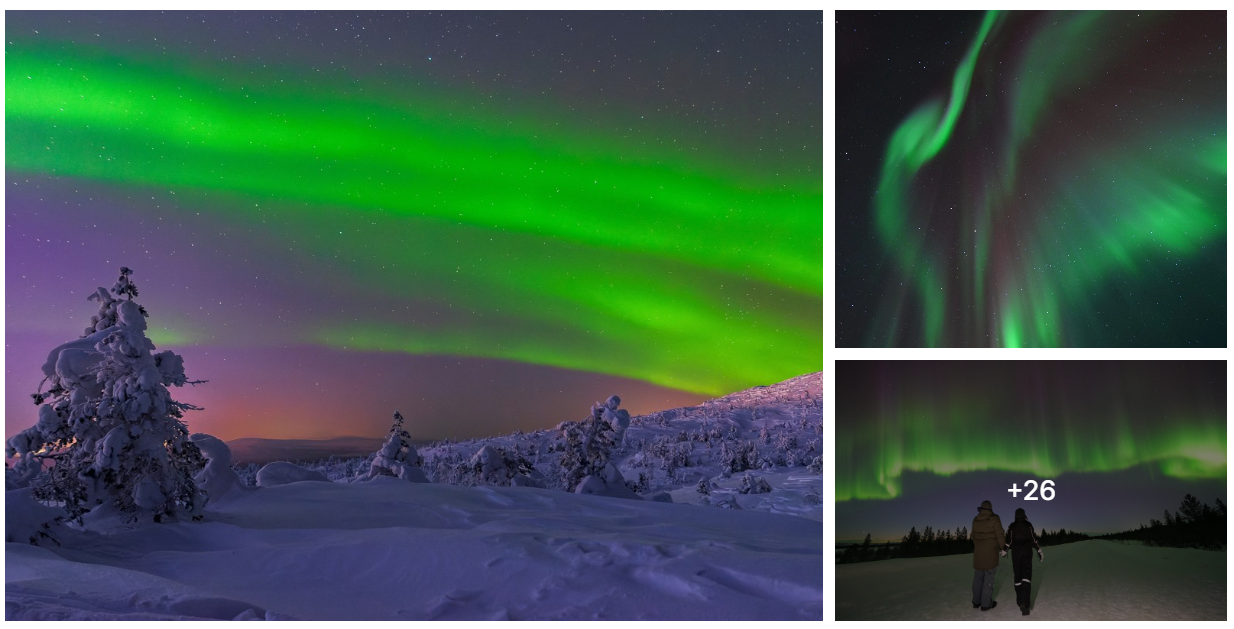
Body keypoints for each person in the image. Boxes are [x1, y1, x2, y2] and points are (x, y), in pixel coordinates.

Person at [1004, 507, 1044, 615]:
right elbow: (1033, 539)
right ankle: (1025, 603)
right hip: (1026, 552)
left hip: (1016, 554)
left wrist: (1004, 550)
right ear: (1024, 515)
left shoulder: (1012, 526)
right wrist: (1039, 550)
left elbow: (1009, 541)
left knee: (1018, 575)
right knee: (1026, 576)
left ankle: (1019, 601)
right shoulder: (1028, 525)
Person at [971, 499, 1005, 611]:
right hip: (991, 553)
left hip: (978, 553)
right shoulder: (995, 518)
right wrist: (1003, 547)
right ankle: (986, 604)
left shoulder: (976, 519)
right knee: (989, 577)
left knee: (978, 577)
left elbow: (973, 536)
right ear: (990, 508)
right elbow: (1000, 535)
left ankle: (976, 602)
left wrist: (979, 546)